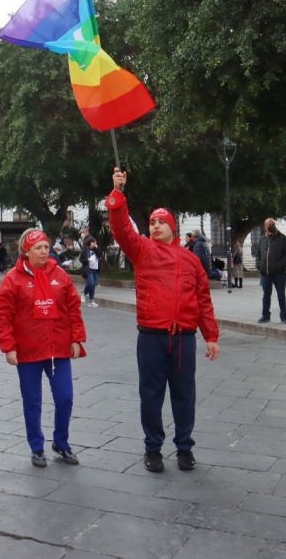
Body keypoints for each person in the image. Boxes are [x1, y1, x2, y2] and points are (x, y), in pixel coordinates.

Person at [106, 168, 220, 473]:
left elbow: (203, 301)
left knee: (184, 394)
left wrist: (211, 335)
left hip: (183, 337)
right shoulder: (142, 250)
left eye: (161, 222)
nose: (155, 226)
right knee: (151, 394)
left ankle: (185, 447)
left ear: (173, 227)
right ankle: (153, 448)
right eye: (152, 222)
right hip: (152, 336)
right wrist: (118, 195)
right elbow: (121, 230)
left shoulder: (192, 260)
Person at [0, 229, 86, 468]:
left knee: (65, 398)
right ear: (27, 251)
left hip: (58, 349)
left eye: (46, 247)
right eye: (39, 248)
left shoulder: (60, 275)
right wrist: (9, 347)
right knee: (32, 401)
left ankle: (61, 442)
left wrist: (76, 338)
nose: (45, 251)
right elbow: (3, 315)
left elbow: (73, 308)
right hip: (28, 352)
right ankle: (37, 447)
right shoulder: (13, 279)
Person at [255, 218, 286, 324]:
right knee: (266, 295)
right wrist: (259, 265)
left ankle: (283, 316)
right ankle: (265, 315)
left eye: (272, 224)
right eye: (268, 224)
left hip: (279, 273)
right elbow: (258, 254)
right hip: (265, 273)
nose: (270, 226)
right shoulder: (262, 239)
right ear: (265, 226)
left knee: (281, 294)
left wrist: (281, 265)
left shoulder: (282, 238)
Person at [82, 237, 101, 307]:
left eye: (95, 242)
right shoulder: (85, 249)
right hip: (88, 269)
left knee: (93, 285)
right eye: (93, 242)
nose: (95, 243)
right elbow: (81, 259)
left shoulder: (96, 249)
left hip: (96, 269)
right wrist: (87, 260)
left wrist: (96, 248)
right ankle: (83, 294)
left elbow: (99, 255)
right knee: (90, 283)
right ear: (90, 242)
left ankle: (91, 301)